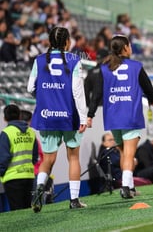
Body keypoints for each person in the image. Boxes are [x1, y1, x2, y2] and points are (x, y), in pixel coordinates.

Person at [87, 35, 153, 199]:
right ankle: (125, 186)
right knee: (130, 154)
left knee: (124, 153)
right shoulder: (136, 66)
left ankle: (130, 186)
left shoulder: (104, 68)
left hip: (112, 117)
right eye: (129, 45)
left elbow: (96, 94)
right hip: (130, 115)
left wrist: (90, 115)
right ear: (125, 48)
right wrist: (152, 101)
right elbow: (148, 87)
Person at [27, 27, 88, 212]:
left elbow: (30, 88)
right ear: (67, 42)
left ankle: (38, 189)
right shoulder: (74, 60)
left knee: (48, 159)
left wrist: (46, 95)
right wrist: (83, 117)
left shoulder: (39, 60)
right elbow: (77, 92)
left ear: (49, 41)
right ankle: (74, 200)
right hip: (69, 117)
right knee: (74, 157)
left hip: (47, 116)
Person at [0, 105, 38, 211]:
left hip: (12, 178)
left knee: (17, 211)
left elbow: (3, 157)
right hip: (29, 176)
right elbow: (35, 156)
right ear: (20, 116)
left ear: (5, 118)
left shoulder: (6, 133)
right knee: (28, 209)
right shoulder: (31, 132)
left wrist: (1, 172)